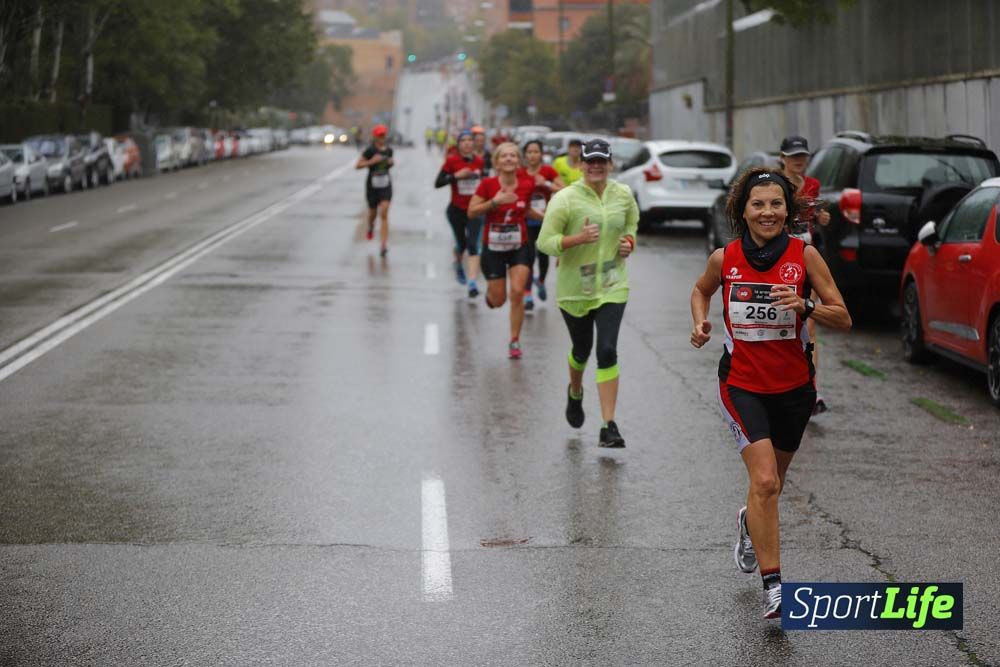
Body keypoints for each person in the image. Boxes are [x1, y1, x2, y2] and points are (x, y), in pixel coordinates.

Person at [689, 168, 851, 619]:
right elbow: (701, 291)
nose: (767, 212)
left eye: (776, 204)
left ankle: (748, 520)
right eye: (758, 204)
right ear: (743, 209)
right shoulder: (726, 257)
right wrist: (700, 322)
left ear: (788, 210)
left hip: (794, 389)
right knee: (763, 481)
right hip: (741, 383)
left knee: (771, 487)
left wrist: (806, 305)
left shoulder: (806, 256)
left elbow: (843, 317)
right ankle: (774, 585)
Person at [537, 139, 638, 448]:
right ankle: (575, 391)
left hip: (612, 285)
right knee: (582, 350)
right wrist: (575, 239)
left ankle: (609, 425)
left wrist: (629, 243)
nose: (596, 166)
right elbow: (545, 242)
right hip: (574, 290)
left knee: (607, 350)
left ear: (610, 164)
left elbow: (632, 223)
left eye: (602, 161)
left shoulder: (623, 194)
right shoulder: (565, 199)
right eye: (590, 161)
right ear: (580, 164)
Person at [468, 142, 539, 359]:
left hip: (520, 245)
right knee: (499, 301)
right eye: (504, 156)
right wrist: (494, 203)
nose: (509, 159)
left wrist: (549, 220)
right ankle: (491, 297)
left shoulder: (527, 183)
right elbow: (471, 212)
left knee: (517, 292)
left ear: (519, 161)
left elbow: (526, 210)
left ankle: (514, 341)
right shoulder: (487, 185)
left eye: (513, 156)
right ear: (497, 162)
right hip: (494, 248)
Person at [778, 135, 832, 415]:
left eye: (803, 156)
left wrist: (822, 218)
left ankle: (811, 389)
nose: (799, 160)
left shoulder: (813, 185)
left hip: (806, 256)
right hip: (778, 259)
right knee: (781, 324)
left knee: (809, 324)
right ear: (782, 158)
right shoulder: (774, 184)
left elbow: (817, 216)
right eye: (793, 155)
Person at [435, 131, 486, 297]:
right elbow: (438, 183)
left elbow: (484, 184)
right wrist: (456, 176)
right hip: (456, 210)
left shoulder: (479, 162)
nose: (467, 143)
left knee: (473, 245)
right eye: (463, 141)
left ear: (474, 143)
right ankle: (457, 263)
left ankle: (472, 282)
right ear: (458, 144)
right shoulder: (451, 161)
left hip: (475, 210)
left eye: (470, 140)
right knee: (462, 244)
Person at [520, 139, 563, 311]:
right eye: (529, 152)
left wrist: (544, 183)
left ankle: (541, 281)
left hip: (545, 220)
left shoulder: (548, 171)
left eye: (536, 151)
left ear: (541, 154)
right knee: (528, 257)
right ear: (525, 155)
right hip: (525, 220)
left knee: (544, 256)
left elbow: (564, 189)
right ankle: (528, 293)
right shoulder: (520, 172)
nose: (532, 155)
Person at [355, 124, 394, 257]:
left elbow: (389, 163)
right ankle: (371, 226)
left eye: (384, 135)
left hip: (385, 185)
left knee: (384, 211)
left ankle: (383, 244)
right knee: (373, 213)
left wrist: (391, 163)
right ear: (375, 136)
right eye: (380, 135)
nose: (382, 137)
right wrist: (371, 161)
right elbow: (358, 165)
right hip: (372, 186)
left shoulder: (389, 150)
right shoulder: (370, 150)